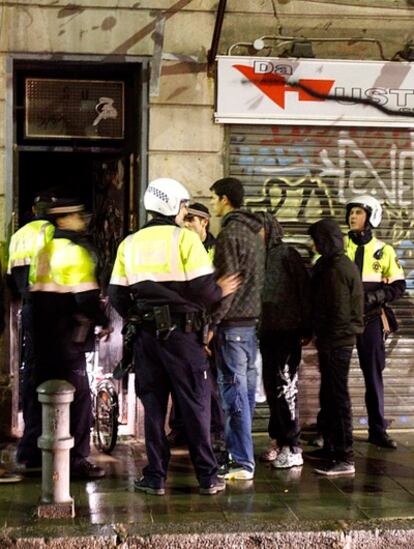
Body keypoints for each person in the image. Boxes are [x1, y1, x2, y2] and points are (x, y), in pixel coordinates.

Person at [108, 178, 239, 496]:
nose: (184, 212)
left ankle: (155, 476)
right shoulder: (186, 241)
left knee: (153, 410)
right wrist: (222, 288)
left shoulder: (130, 243)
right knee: (196, 406)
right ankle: (207, 476)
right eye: (183, 206)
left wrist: (142, 315)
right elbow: (204, 290)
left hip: (146, 340)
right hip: (183, 337)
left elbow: (116, 295)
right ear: (172, 206)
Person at [30, 198, 109, 480]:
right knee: (79, 400)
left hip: (42, 340)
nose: (81, 220)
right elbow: (86, 299)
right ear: (63, 220)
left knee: (40, 396)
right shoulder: (74, 252)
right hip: (67, 341)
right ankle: (76, 460)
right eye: (77, 215)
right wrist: (104, 321)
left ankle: (32, 455)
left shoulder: (44, 250)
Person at [209, 177, 264, 481]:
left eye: (214, 198)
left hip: (232, 329)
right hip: (250, 327)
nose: (213, 203)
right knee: (244, 395)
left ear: (226, 200)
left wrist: (212, 323)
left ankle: (242, 462)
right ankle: (239, 455)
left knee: (235, 397)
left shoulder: (229, 235)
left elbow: (226, 286)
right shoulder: (255, 234)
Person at [345, 195, 406, 449]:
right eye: (351, 212)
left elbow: (399, 285)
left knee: (373, 376)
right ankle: (332, 429)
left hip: (371, 320)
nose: (352, 216)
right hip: (344, 321)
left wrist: (378, 296)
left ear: (371, 217)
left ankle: (377, 430)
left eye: (358, 212)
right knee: (335, 378)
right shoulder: (339, 245)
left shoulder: (385, 250)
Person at [308, 218, 364, 477]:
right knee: (329, 397)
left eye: (315, 239)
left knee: (338, 398)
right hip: (334, 341)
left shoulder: (336, 269)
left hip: (336, 343)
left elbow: (337, 311)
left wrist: (324, 338)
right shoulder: (332, 264)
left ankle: (344, 456)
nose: (312, 244)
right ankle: (332, 447)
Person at [167, 202, 224, 450]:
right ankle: (180, 429)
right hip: (186, 325)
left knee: (210, 385)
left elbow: (217, 292)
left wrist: (210, 332)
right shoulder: (178, 245)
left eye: (192, 220)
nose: (187, 224)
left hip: (210, 327)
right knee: (180, 380)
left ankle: (216, 432)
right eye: (185, 218)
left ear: (204, 223)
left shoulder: (215, 250)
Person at [258, 213, 312, 468]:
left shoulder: (287, 254)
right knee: (273, 389)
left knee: (285, 389)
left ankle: (293, 446)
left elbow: (304, 290)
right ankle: (278, 440)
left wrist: (306, 326)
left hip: (287, 331)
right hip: (267, 332)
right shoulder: (259, 257)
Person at [7, 193, 56, 468]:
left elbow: (10, 280)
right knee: (51, 377)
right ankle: (41, 443)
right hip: (49, 308)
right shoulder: (51, 233)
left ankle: (30, 441)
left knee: (31, 372)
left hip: (27, 307)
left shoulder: (18, 235)